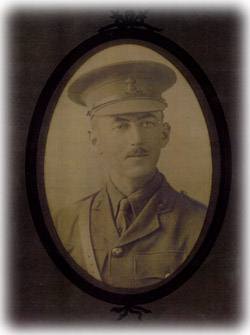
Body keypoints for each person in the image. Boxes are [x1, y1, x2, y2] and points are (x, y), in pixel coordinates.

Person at [55, 61, 207, 289]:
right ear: (95, 140)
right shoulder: (65, 223)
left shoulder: (198, 223)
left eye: (147, 123)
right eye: (121, 126)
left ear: (164, 134)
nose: (137, 138)